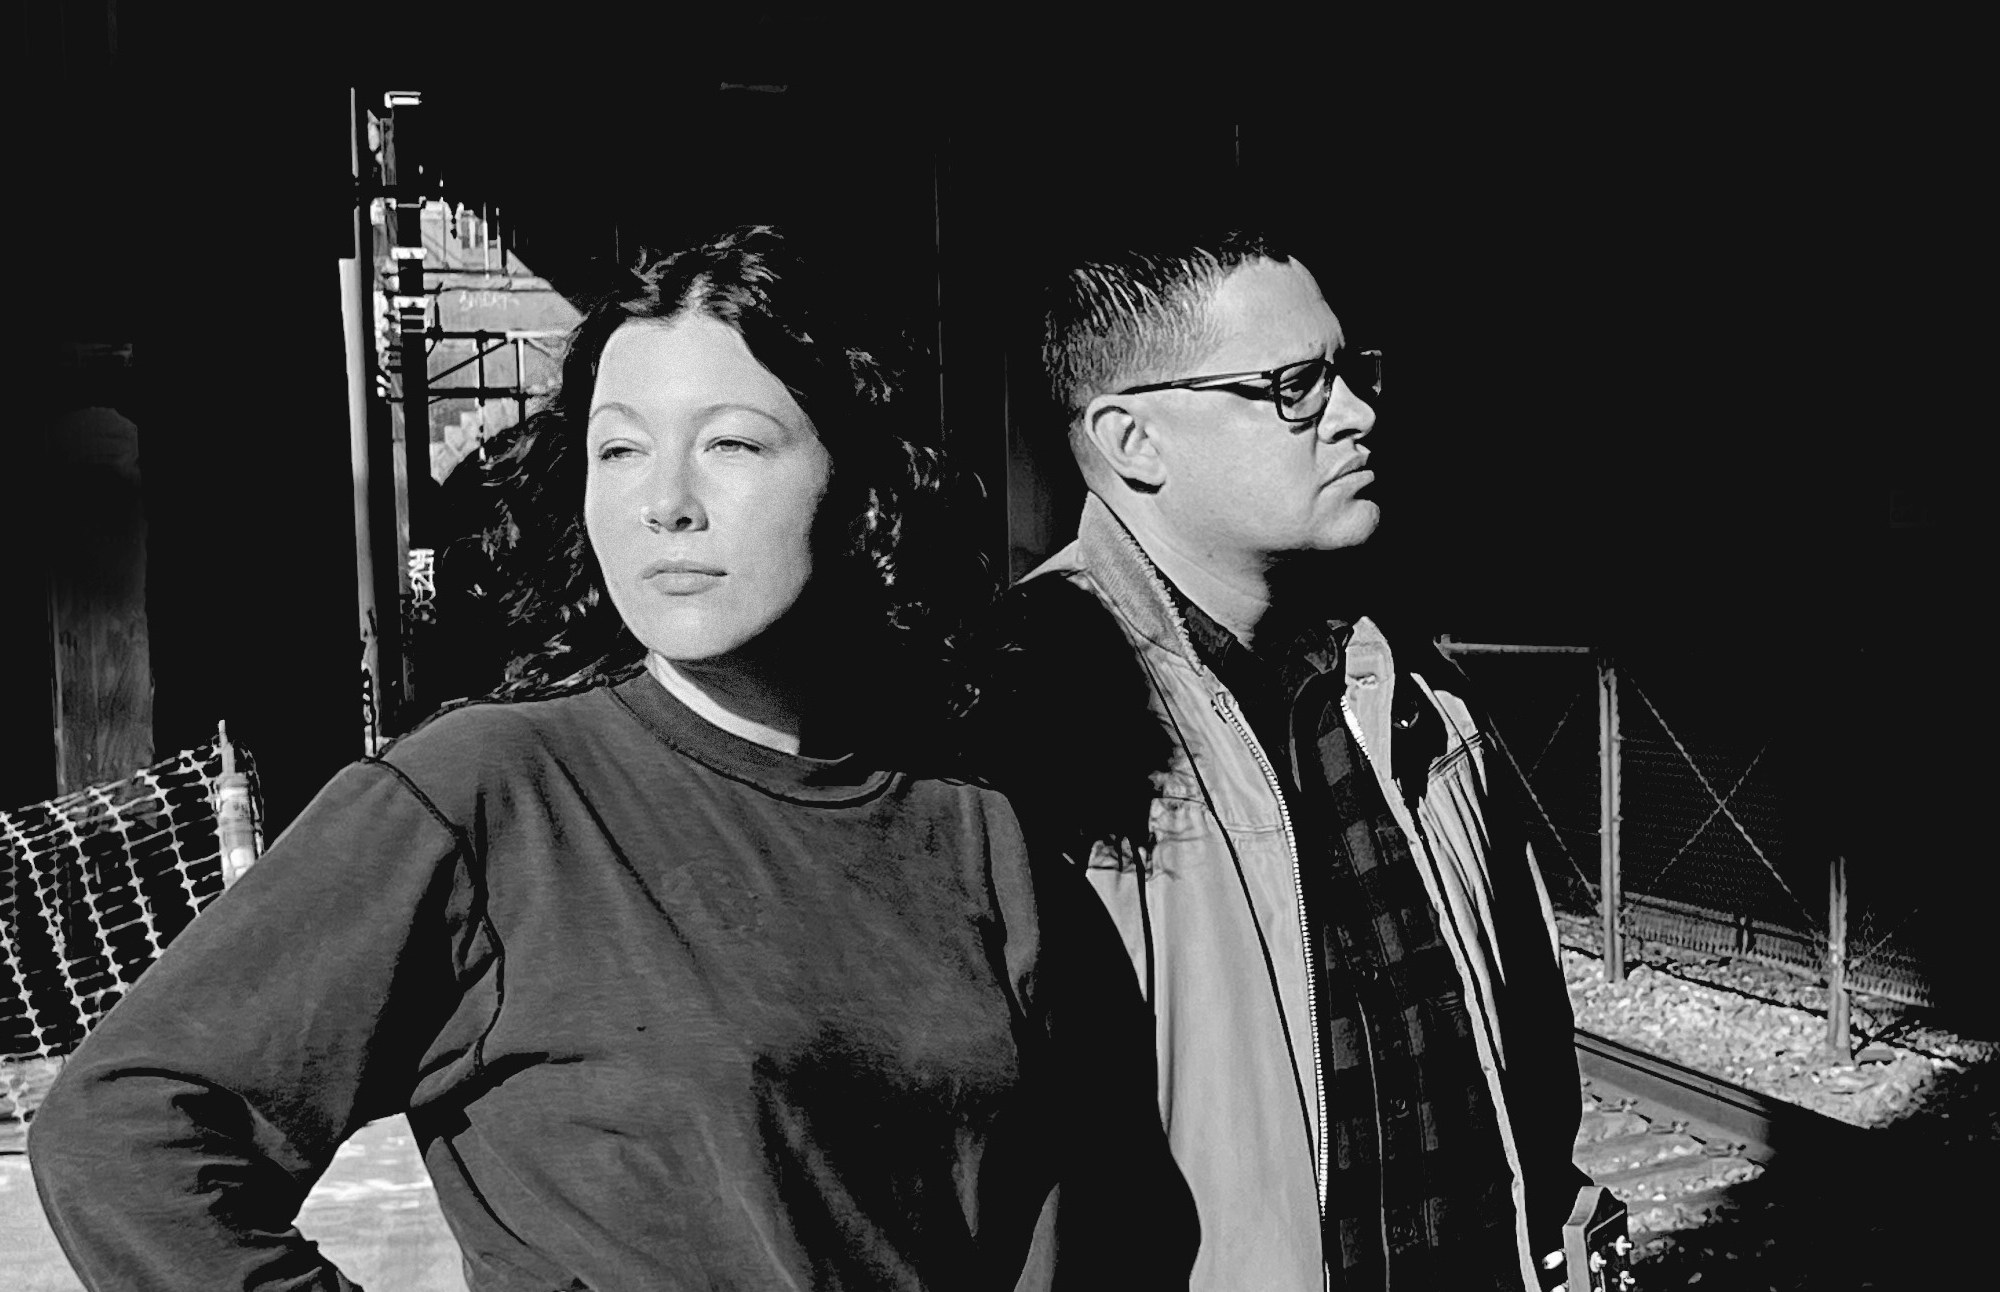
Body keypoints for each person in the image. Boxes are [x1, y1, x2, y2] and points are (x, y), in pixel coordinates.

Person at [30, 226, 1195, 1291]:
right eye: (620, 449)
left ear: (858, 482)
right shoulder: (488, 794)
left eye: (731, 443)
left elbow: (1115, 1219)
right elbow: (129, 1127)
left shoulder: (976, 833)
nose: (664, 503)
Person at [970, 227, 1589, 1290]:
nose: (1357, 413)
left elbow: (1527, 1051)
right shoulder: (1022, 718)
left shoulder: (1409, 687)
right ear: (1133, 440)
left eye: (1351, 370)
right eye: (1295, 386)